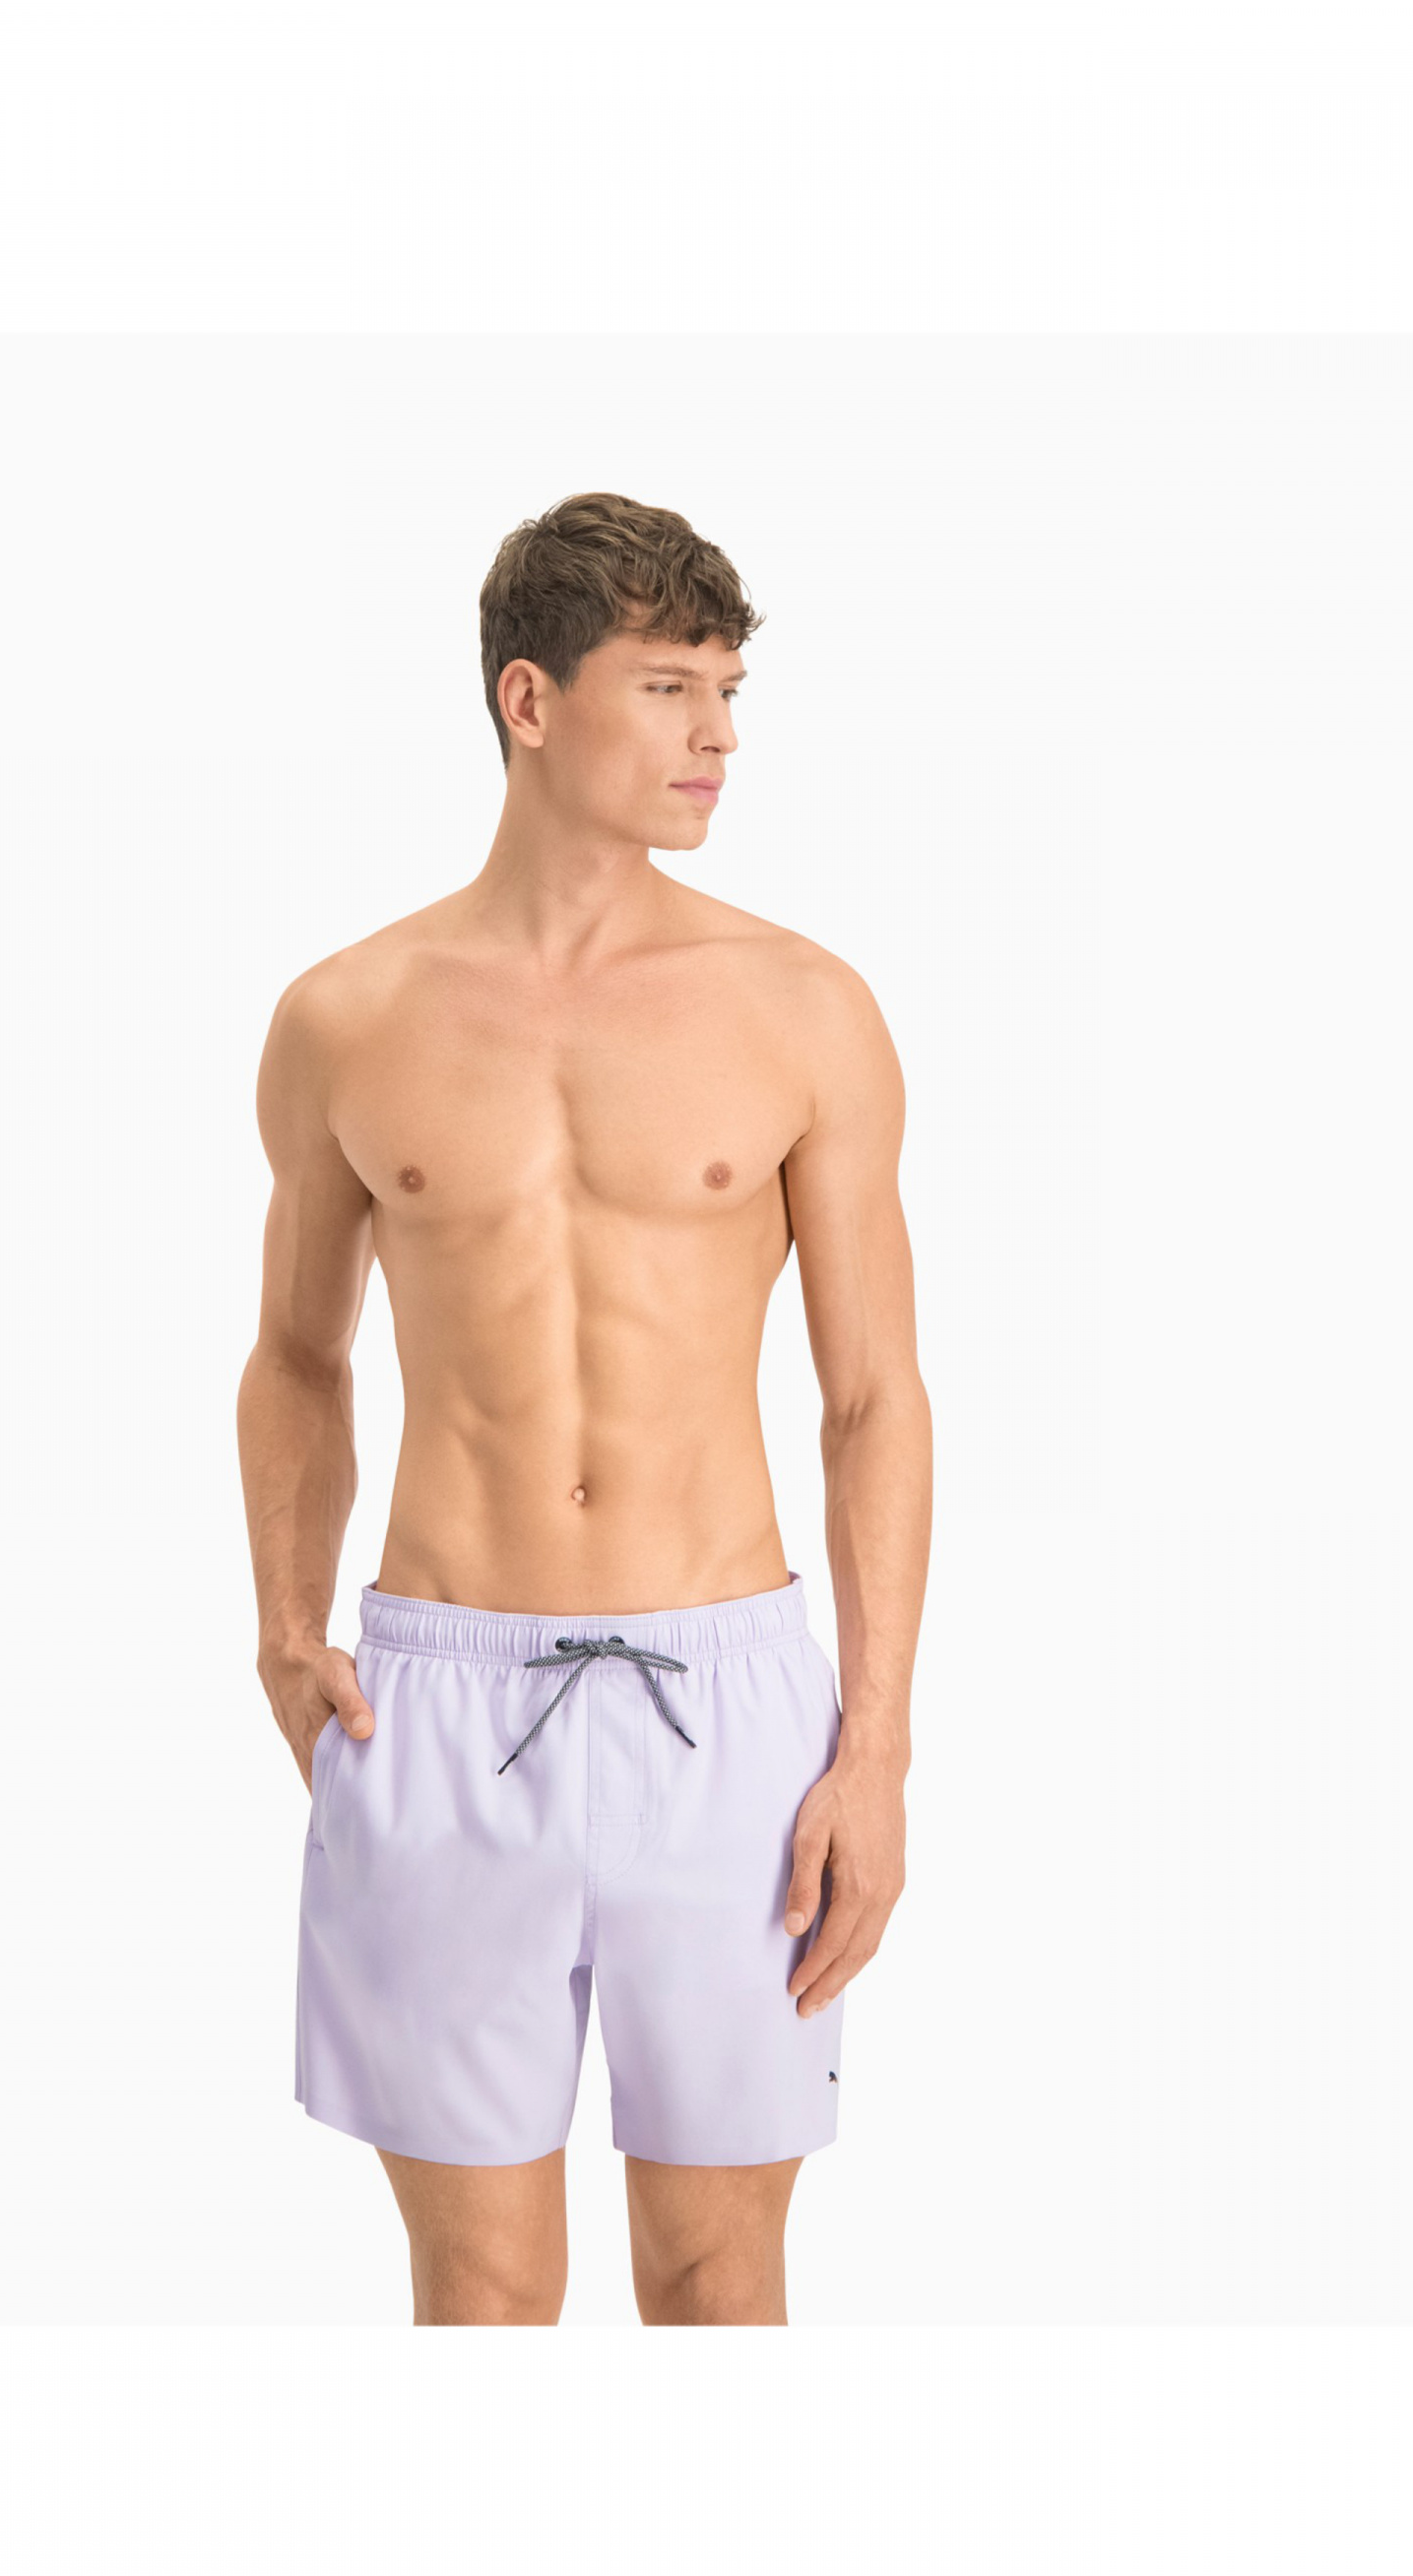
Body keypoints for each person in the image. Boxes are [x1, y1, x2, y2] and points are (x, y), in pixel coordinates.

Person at [237, 490, 931, 2325]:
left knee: (717, 2277)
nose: (718, 737)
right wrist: (285, 1626)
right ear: (530, 701)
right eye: (668, 687)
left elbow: (872, 1395)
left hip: (729, 1707)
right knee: (476, 2293)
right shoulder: (347, 1015)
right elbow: (295, 1355)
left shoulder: (801, 1008)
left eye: (728, 690)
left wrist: (873, 1745)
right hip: (435, 1695)